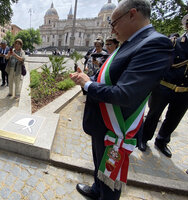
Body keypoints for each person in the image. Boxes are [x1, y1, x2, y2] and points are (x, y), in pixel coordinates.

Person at [70, 0, 173, 199]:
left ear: (132, 14)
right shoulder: (131, 42)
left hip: (117, 125)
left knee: (111, 173)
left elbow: (125, 94)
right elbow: (108, 76)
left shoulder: (155, 43)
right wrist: (88, 79)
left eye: (114, 22)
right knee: (99, 161)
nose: (112, 29)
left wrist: (88, 85)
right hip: (103, 122)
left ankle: (105, 194)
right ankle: (97, 189)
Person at [138, 14, 188, 158]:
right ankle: (143, 138)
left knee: (174, 118)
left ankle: (162, 141)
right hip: (164, 86)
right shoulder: (174, 42)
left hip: (184, 91)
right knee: (154, 115)